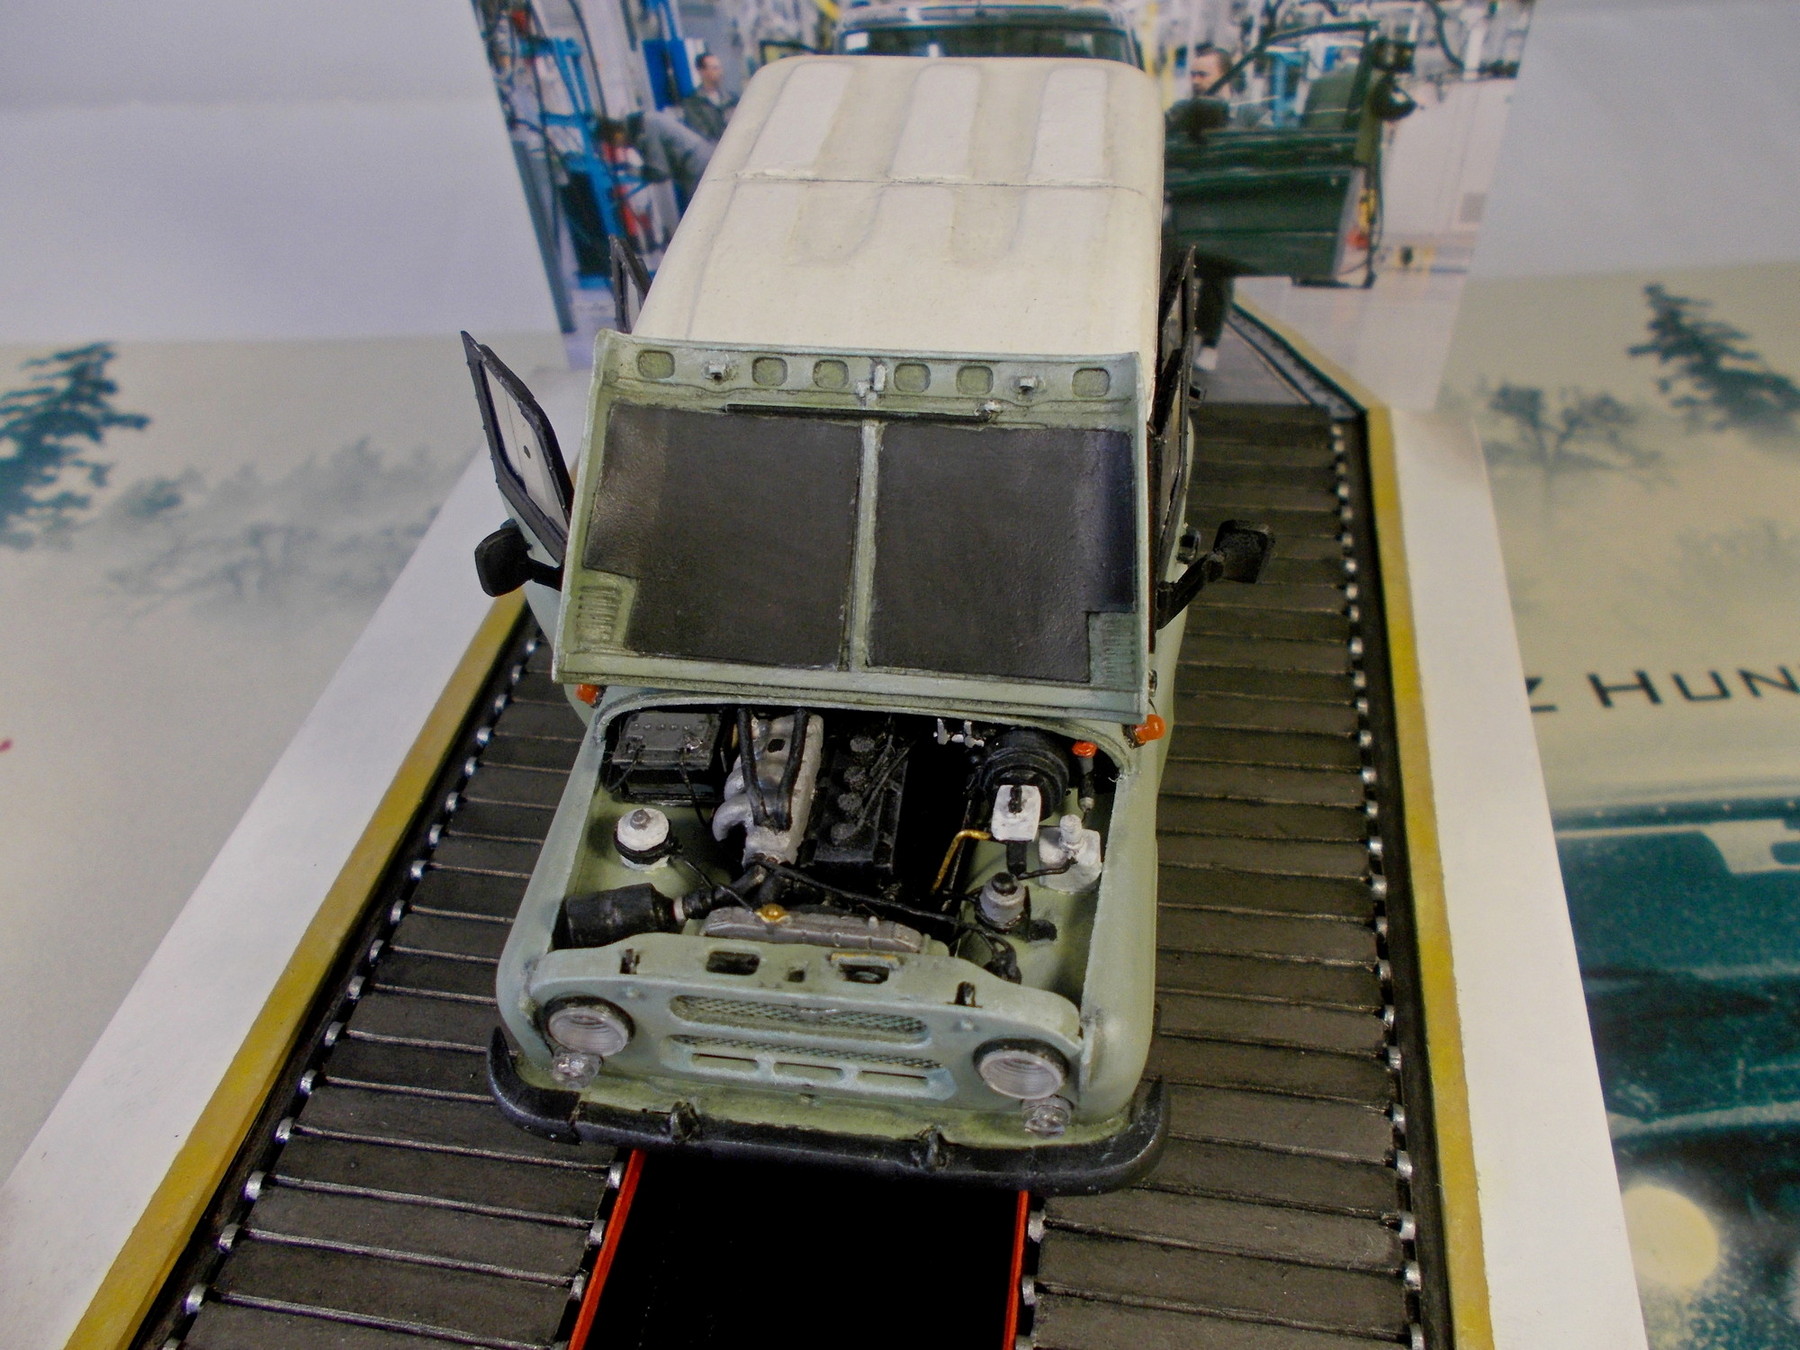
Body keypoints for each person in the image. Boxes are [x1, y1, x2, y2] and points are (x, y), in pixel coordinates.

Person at [1165, 45, 1233, 142]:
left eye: (1202, 75)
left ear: (1225, 77)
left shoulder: (1246, 114)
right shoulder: (1182, 113)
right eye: (1193, 75)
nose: (1195, 81)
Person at [680, 53, 738, 144]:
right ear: (702, 72)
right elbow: (699, 134)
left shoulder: (732, 99)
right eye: (715, 68)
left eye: (719, 68)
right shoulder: (693, 103)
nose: (720, 72)